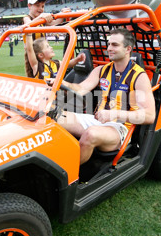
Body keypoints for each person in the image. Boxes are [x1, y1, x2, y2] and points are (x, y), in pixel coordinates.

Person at [58, 28, 155, 164]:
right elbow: (80, 88)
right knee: (54, 117)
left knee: (91, 134)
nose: (109, 48)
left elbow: (149, 116)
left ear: (128, 49)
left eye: (114, 45)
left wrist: (114, 114)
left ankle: (68, 176)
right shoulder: (102, 69)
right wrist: (60, 83)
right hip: (97, 120)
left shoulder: (139, 76)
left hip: (120, 128)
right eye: (109, 44)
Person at [22, 0, 70, 76]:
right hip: (33, 55)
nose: (40, 8)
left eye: (42, 6)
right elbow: (28, 25)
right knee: (35, 76)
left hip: (44, 53)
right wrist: (41, 17)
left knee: (48, 74)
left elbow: (55, 22)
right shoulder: (27, 18)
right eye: (37, 5)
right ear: (29, 6)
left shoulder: (42, 20)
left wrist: (62, 14)